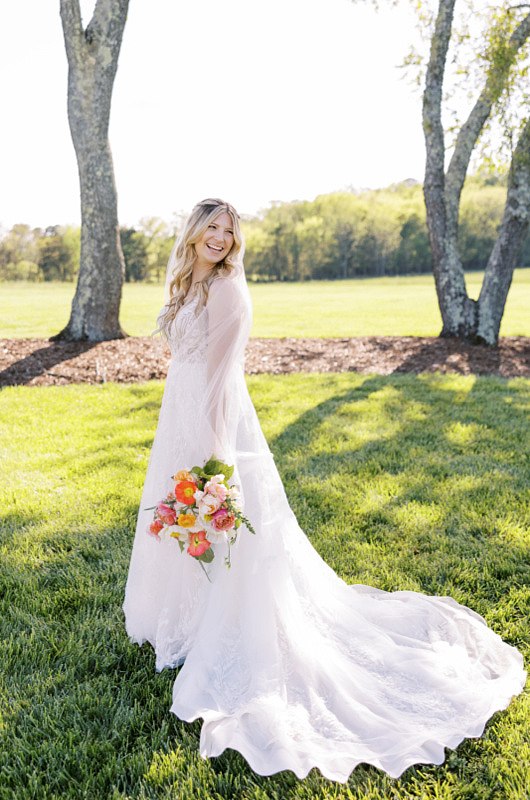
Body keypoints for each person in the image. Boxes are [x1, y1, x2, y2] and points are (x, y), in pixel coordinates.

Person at [122, 198, 526, 783]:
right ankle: (186, 620)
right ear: (193, 232)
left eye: (229, 230)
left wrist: (214, 458)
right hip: (180, 418)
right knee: (192, 530)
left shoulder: (229, 288)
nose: (220, 236)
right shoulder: (191, 282)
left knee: (227, 532)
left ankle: (231, 626)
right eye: (211, 226)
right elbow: (186, 368)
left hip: (213, 426)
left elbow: (219, 379)